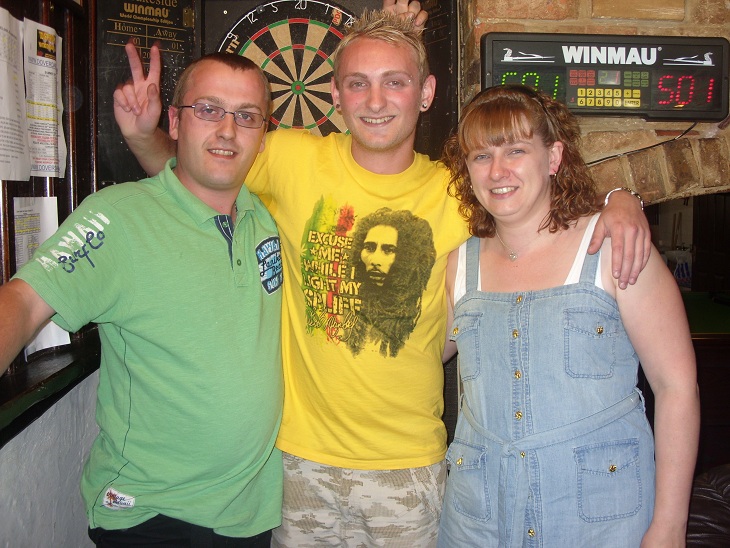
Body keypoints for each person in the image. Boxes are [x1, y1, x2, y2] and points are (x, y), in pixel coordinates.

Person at [112, 3, 651, 545]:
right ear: (335, 95)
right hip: (300, 462)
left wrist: (618, 198)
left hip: (411, 468)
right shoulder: (291, 158)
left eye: (394, 83)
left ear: (426, 93)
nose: (374, 102)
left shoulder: (457, 190)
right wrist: (142, 137)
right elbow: (202, 175)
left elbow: (541, 191)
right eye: (358, 83)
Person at [0, 52, 284, 546]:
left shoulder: (265, 217)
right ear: (175, 121)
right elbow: (23, 302)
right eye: (209, 110)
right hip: (150, 514)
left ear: (263, 133)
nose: (227, 130)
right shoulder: (119, 218)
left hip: (247, 513)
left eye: (246, 115)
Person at [438, 84, 700, 547]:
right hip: (480, 518)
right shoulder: (459, 264)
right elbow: (419, 358)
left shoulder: (615, 247)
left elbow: (676, 387)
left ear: (553, 156)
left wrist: (669, 525)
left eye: (516, 150)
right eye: (480, 156)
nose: (498, 170)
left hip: (601, 519)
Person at [348, 207, 436, 357]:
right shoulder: (350, 309)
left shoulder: (416, 307)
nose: (375, 260)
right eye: (369, 248)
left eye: (388, 250)